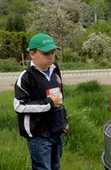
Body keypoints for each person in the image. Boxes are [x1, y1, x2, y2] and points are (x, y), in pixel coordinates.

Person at [14, 33, 68, 170]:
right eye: (45, 53)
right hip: (39, 136)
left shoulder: (55, 69)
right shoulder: (26, 78)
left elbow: (59, 98)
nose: (51, 56)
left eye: (53, 52)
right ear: (32, 54)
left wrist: (64, 120)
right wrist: (48, 103)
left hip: (56, 130)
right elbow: (19, 106)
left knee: (56, 166)